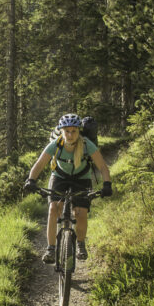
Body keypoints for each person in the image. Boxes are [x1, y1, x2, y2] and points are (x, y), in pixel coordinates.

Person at [23, 113, 112, 263]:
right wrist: (31, 180)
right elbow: (39, 164)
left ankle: (80, 245)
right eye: (67, 131)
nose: (70, 135)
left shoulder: (86, 145)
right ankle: (50, 249)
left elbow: (102, 166)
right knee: (53, 209)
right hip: (60, 177)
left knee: (80, 212)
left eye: (74, 131)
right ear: (61, 131)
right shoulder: (56, 145)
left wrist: (107, 184)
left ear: (78, 131)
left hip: (81, 178)